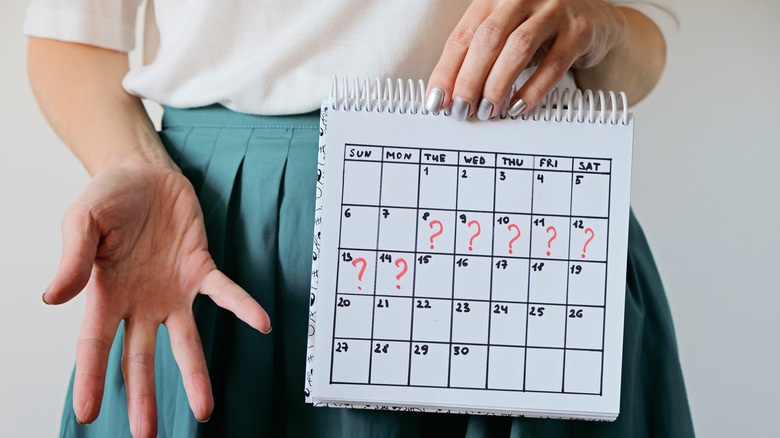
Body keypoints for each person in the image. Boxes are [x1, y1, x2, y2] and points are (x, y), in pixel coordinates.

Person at [25, 0, 694, 437]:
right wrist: (133, 161)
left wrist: (591, 21)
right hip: (225, 236)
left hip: (524, 227)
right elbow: (67, 37)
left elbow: (640, 54)